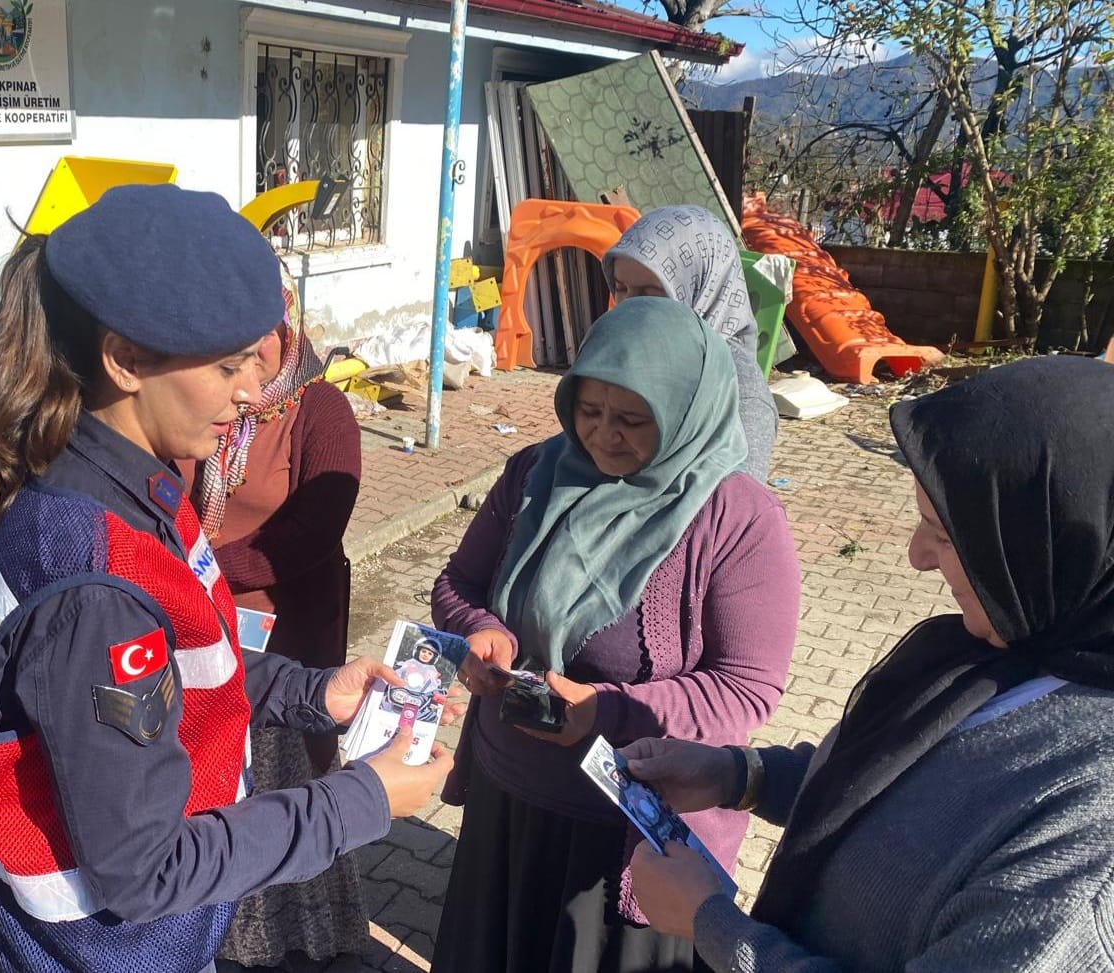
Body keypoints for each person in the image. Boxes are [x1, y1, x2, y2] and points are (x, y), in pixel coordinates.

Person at [0, 184, 457, 973]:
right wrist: (363, 801)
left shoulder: (125, 486)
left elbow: (186, 661)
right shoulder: (94, 577)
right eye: (230, 364)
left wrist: (313, 691)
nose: (250, 392)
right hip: (105, 949)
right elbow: (146, 868)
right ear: (126, 359)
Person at [622, 355, 1114, 973]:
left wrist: (712, 924)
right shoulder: (1013, 646)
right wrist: (739, 776)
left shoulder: (1093, 838)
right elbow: (908, 796)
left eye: (943, 534)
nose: (916, 557)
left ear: (1050, 542)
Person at [429, 297, 801, 973]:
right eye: (588, 411)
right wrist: (480, 634)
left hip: (632, 834)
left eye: (632, 420)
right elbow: (459, 582)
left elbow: (747, 689)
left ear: (688, 412)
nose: (602, 436)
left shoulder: (737, 520)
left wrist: (608, 711)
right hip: (510, 803)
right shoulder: (535, 474)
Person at [182, 264, 369, 968]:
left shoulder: (322, 411)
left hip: (285, 637)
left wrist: (205, 569)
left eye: (256, 329)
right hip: (203, 628)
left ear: (285, 313)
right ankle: (232, 930)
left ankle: (310, 933)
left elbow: (312, 533)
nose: (246, 352)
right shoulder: (207, 397)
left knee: (287, 785)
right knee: (220, 784)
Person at [603, 205, 779, 478]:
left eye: (651, 293)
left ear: (702, 290)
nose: (630, 307)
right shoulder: (619, 359)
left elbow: (738, 506)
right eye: (621, 289)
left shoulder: (739, 390)